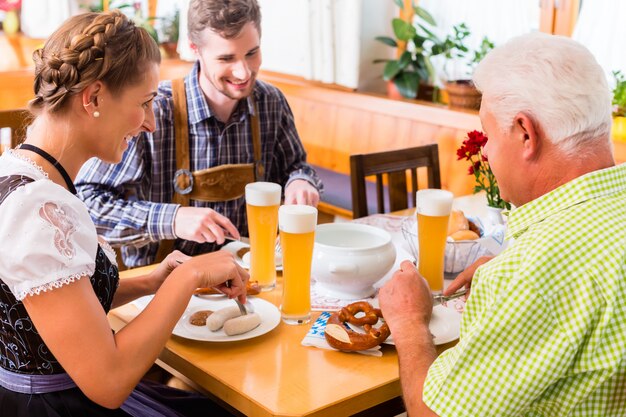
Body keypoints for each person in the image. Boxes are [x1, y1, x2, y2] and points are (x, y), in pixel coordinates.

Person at [0, 10, 248, 416]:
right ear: (93, 97)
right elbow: (109, 383)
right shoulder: (37, 209)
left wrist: (152, 281)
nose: (150, 123)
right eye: (145, 103)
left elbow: (60, 307)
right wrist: (189, 276)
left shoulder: (23, 174)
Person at [379, 32, 626, 416]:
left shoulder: (534, 272)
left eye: (489, 136)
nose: (488, 152)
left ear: (526, 134)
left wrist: (409, 322)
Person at [75, 0, 323, 268]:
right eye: (226, 58)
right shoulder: (152, 110)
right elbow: (85, 205)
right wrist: (171, 219)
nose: (243, 72)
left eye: (252, 53)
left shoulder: (271, 102)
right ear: (194, 49)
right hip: (161, 284)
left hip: (249, 277)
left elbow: (297, 167)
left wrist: (301, 181)